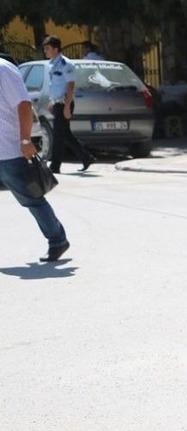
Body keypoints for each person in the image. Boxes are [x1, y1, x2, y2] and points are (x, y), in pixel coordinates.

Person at [0, 56, 70, 262]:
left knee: (31, 199)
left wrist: (24, 140)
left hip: (9, 150)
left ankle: (57, 240)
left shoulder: (4, 70)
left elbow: (23, 105)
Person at [42, 35, 95, 173]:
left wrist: (67, 106)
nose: (45, 51)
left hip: (65, 102)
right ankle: (86, 157)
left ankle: (55, 166)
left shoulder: (67, 64)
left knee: (59, 135)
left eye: (47, 48)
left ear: (56, 49)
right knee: (64, 134)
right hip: (57, 103)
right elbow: (53, 85)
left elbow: (70, 85)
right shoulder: (52, 64)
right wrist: (51, 102)